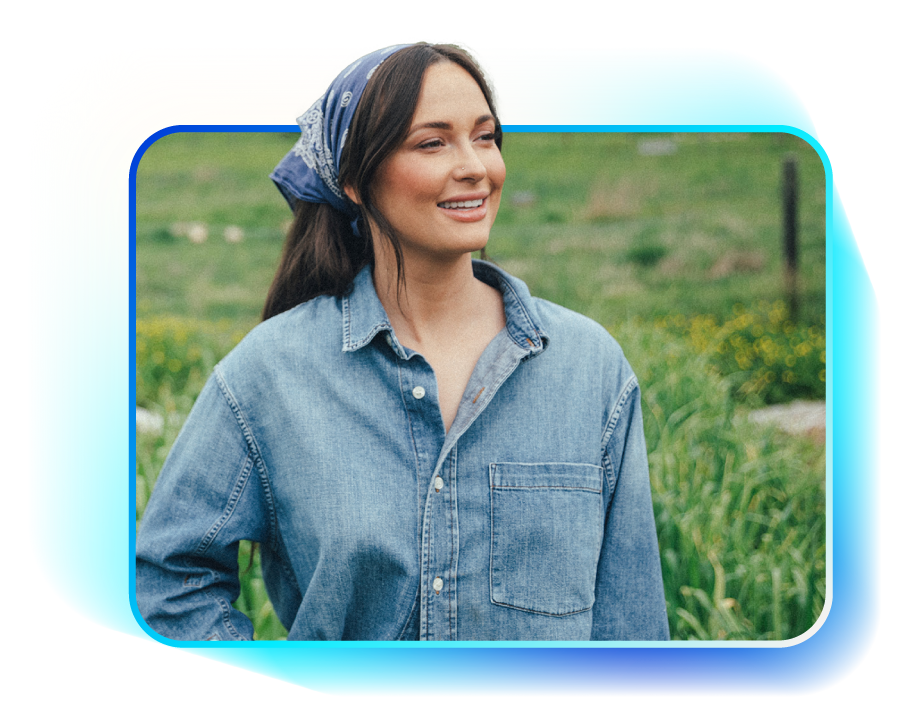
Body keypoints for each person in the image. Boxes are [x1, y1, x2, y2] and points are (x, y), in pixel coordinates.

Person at [136, 42, 670, 641]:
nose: (474, 166)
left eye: (486, 137)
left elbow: (633, 624)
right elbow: (168, 578)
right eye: (432, 142)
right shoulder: (269, 374)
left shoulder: (589, 367)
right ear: (355, 180)